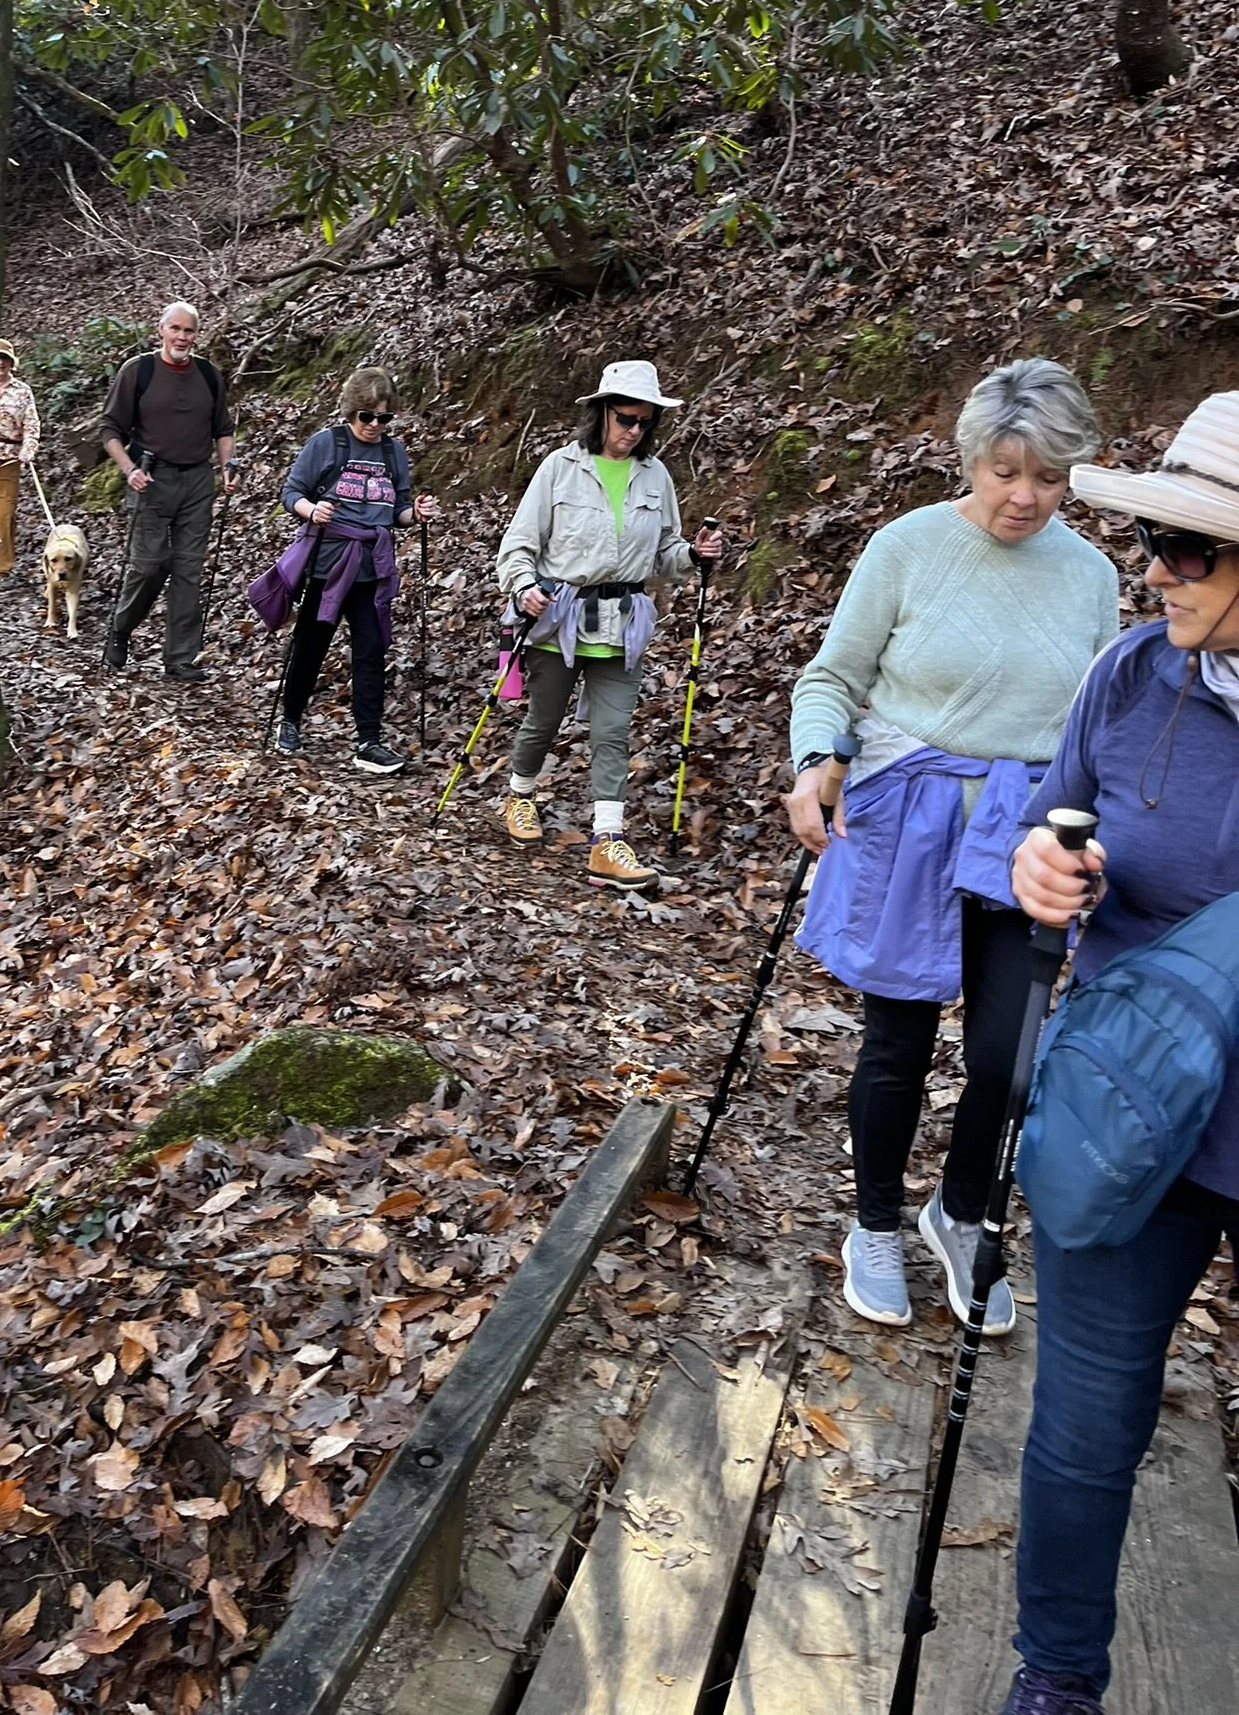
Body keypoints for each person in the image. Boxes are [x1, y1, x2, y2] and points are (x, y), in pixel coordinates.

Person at [785, 359, 1118, 1334]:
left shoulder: (1092, 576)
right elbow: (832, 678)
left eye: (1049, 477)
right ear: (970, 456)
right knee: (897, 1043)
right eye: (1005, 470)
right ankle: (876, 1223)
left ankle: (962, 1211)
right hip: (910, 820)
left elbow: (1095, 724)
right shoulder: (907, 546)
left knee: (1011, 1057)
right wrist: (815, 761)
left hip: (1027, 828)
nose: (1025, 495)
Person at [996, 392, 1239, 1715]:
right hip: (1130, 1118)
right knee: (1085, 1436)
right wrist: (1047, 872)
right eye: (1154, 538)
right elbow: (1055, 830)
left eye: (1191, 549)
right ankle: (1059, 1679)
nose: (1156, 570)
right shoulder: (1130, 675)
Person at [494, 359, 723, 892]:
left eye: (644, 422)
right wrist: (523, 585)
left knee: (613, 731)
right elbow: (519, 544)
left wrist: (694, 553)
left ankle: (606, 841)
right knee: (544, 718)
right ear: (600, 414)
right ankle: (520, 795)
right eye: (625, 419)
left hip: (624, 623)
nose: (634, 432)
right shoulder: (559, 468)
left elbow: (665, 551)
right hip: (560, 616)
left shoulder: (656, 476)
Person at [267, 366, 437, 774]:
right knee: (311, 645)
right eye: (368, 417)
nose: (375, 426)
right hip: (328, 563)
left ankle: (369, 740)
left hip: (372, 568)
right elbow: (291, 492)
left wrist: (415, 514)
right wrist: (312, 509)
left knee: (370, 650)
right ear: (350, 411)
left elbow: (398, 508)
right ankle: (289, 719)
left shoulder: (393, 452)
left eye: (384, 418)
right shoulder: (326, 444)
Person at [100, 302, 237, 683]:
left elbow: (222, 428)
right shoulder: (138, 371)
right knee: (149, 565)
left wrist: (228, 467)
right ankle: (120, 629)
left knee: (188, 571)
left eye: (189, 331)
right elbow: (110, 429)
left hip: (197, 481)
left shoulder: (209, 375)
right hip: (151, 477)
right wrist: (129, 470)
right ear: (160, 329)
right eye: (175, 329)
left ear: (197, 334)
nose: (182, 337)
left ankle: (180, 659)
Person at [0, 342, 40, 579]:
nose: (0, 362)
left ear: (12, 362)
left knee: (5, 512)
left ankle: (1, 566)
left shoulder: (22, 390)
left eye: (5, 358)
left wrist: (29, 449)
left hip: (8, 458)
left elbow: (31, 424)